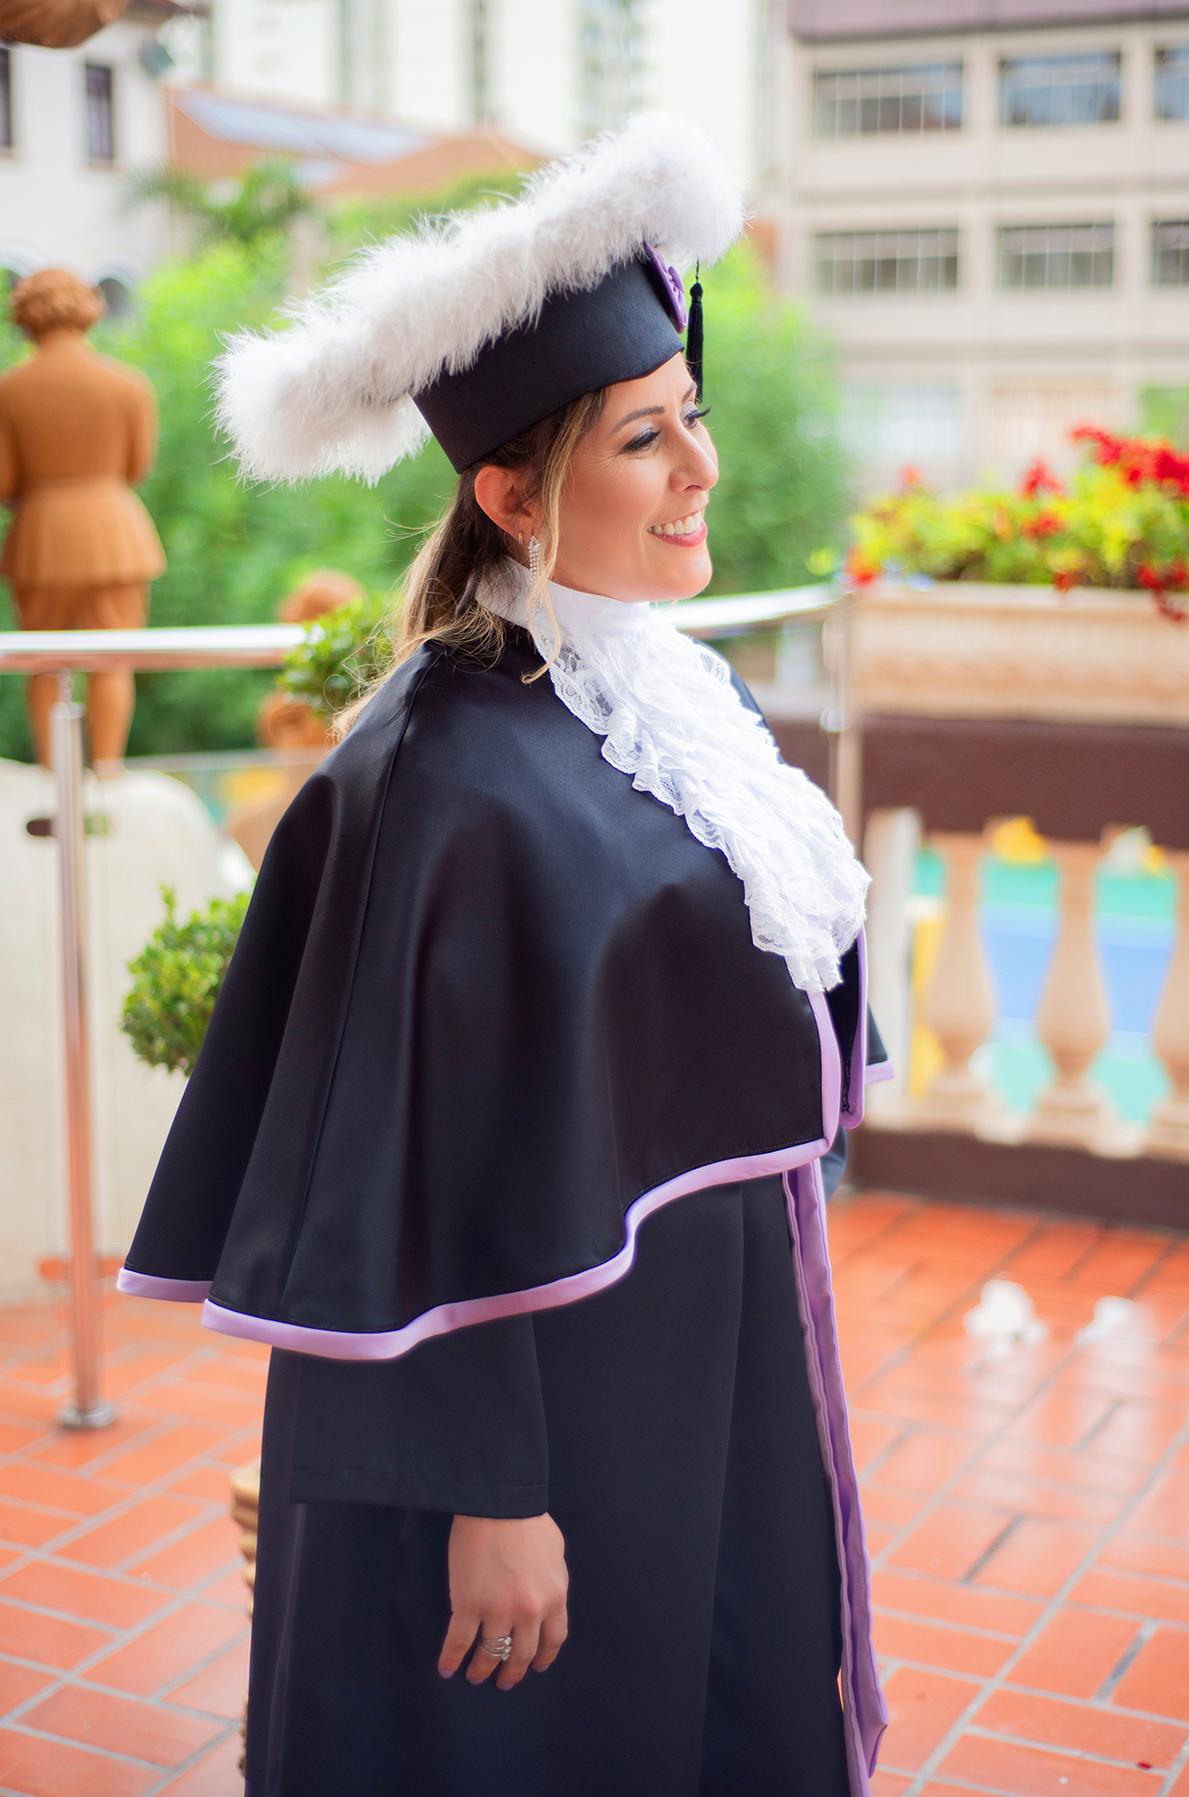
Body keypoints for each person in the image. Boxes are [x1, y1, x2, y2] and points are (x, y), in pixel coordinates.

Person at [118, 114, 890, 1796]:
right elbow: (398, 1162)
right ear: (509, 491)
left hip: (710, 1328)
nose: (698, 468)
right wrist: (492, 1492)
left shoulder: (671, 696)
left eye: (691, 416)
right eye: (642, 437)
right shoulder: (432, 776)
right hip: (542, 1414)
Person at [0, 268, 165, 772]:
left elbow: (4, 482)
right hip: (115, 533)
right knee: (113, 660)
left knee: (43, 664)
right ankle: (109, 770)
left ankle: (53, 774)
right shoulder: (127, 384)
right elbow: (138, 467)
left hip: (40, 540)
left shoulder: (8, 390)